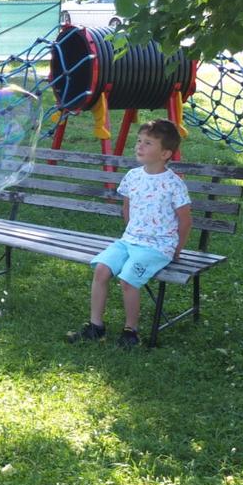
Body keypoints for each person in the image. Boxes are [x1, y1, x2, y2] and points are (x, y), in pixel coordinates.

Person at [67, 119, 191, 349]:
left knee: (127, 279)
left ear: (165, 153)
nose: (139, 146)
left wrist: (176, 250)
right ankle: (96, 327)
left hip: (157, 247)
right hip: (129, 240)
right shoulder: (133, 176)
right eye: (139, 141)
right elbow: (127, 207)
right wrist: (132, 232)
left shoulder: (174, 184)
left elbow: (185, 221)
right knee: (102, 269)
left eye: (148, 143)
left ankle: (131, 331)